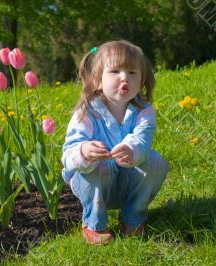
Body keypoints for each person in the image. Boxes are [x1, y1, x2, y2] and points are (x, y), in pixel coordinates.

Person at [61, 40, 169, 245]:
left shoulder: (144, 112)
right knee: (100, 165)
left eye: (132, 72)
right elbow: (68, 155)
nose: (124, 78)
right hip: (95, 183)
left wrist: (132, 149)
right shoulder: (87, 112)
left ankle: (132, 219)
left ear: (142, 79)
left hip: (128, 181)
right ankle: (95, 224)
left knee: (155, 161)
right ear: (97, 79)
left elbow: (142, 139)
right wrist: (83, 151)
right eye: (115, 71)